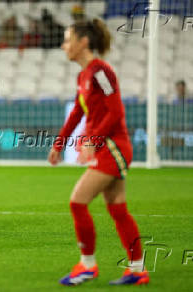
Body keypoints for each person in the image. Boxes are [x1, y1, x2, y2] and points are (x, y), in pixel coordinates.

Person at [47, 19, 149, 286]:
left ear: (83, 42)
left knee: (77, 202)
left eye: (68, 40)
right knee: (118, 211)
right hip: (108, 148)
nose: (63, 46)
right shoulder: (84, 75)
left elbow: (116, 112)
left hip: (113, 147)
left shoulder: (101, 72)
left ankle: (88, 265)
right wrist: (59, 144)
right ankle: (137, 270)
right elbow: (78, 113)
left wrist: (91, 140)